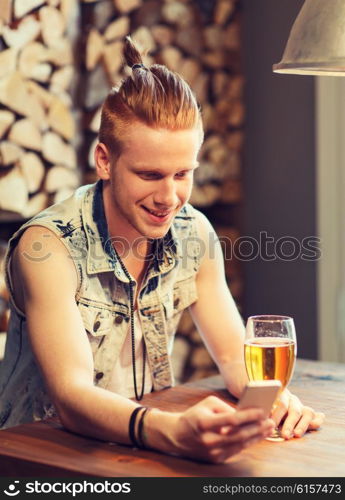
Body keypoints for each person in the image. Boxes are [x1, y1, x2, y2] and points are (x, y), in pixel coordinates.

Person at [0, 37, 324, 464]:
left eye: (182, 173)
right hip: (36, 459)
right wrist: (169, 430)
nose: (169, 197)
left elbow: (232, 354)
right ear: (104, 160)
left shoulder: (195, 232)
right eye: (150, 174)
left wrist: (275, 401)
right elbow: (72, 395)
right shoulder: (46, 246)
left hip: (134, 454)